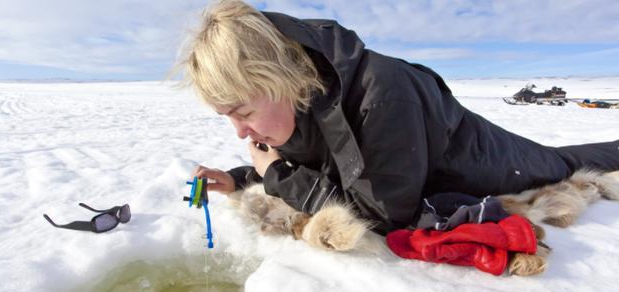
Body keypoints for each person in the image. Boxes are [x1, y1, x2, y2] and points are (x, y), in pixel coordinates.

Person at [181, 0, 619, 235]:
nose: (239, 130)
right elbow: (325, 161)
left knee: (564, 162)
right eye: (228, 117)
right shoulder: (304, 97)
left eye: (242, 112)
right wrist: (240, 176)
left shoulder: (384, 92)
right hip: (430, 165)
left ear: (279, 79)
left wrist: (274, 172)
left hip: (495, 162)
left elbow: (382, 214)